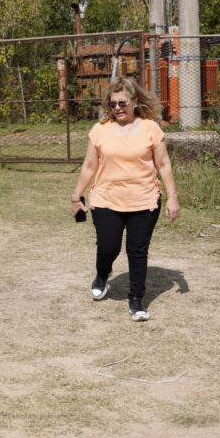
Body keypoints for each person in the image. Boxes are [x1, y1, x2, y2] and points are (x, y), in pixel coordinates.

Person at [70, 77, 180, 322]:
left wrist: (172, 196)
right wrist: (76, 196)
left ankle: (136, 300)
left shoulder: (151, 128)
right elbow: (89, 166)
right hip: (106, 198)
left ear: (135, 102)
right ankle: (102, 275)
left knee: (137, 251)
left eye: (122, 103)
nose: (117, 108)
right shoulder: (100, 130)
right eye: (112, 104)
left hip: (144, 199)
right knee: (108, 246)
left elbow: (163, 164)